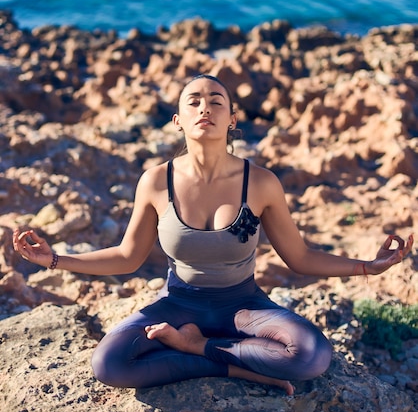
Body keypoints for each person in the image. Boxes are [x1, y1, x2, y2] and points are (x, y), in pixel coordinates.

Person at [13, 74, 414, 395]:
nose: (205, 107)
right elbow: (127, 258)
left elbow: (300, 257)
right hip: (178, 304)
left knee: (312, 356)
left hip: (243, 306)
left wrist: (367, 266)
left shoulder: (260, 183)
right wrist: (53, 259)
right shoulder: (155, 182)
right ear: (178, 121)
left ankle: (193, 347)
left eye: (217, 101)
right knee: (109, 364)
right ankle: (237, 366)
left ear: (232, 120)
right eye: (194, 101)